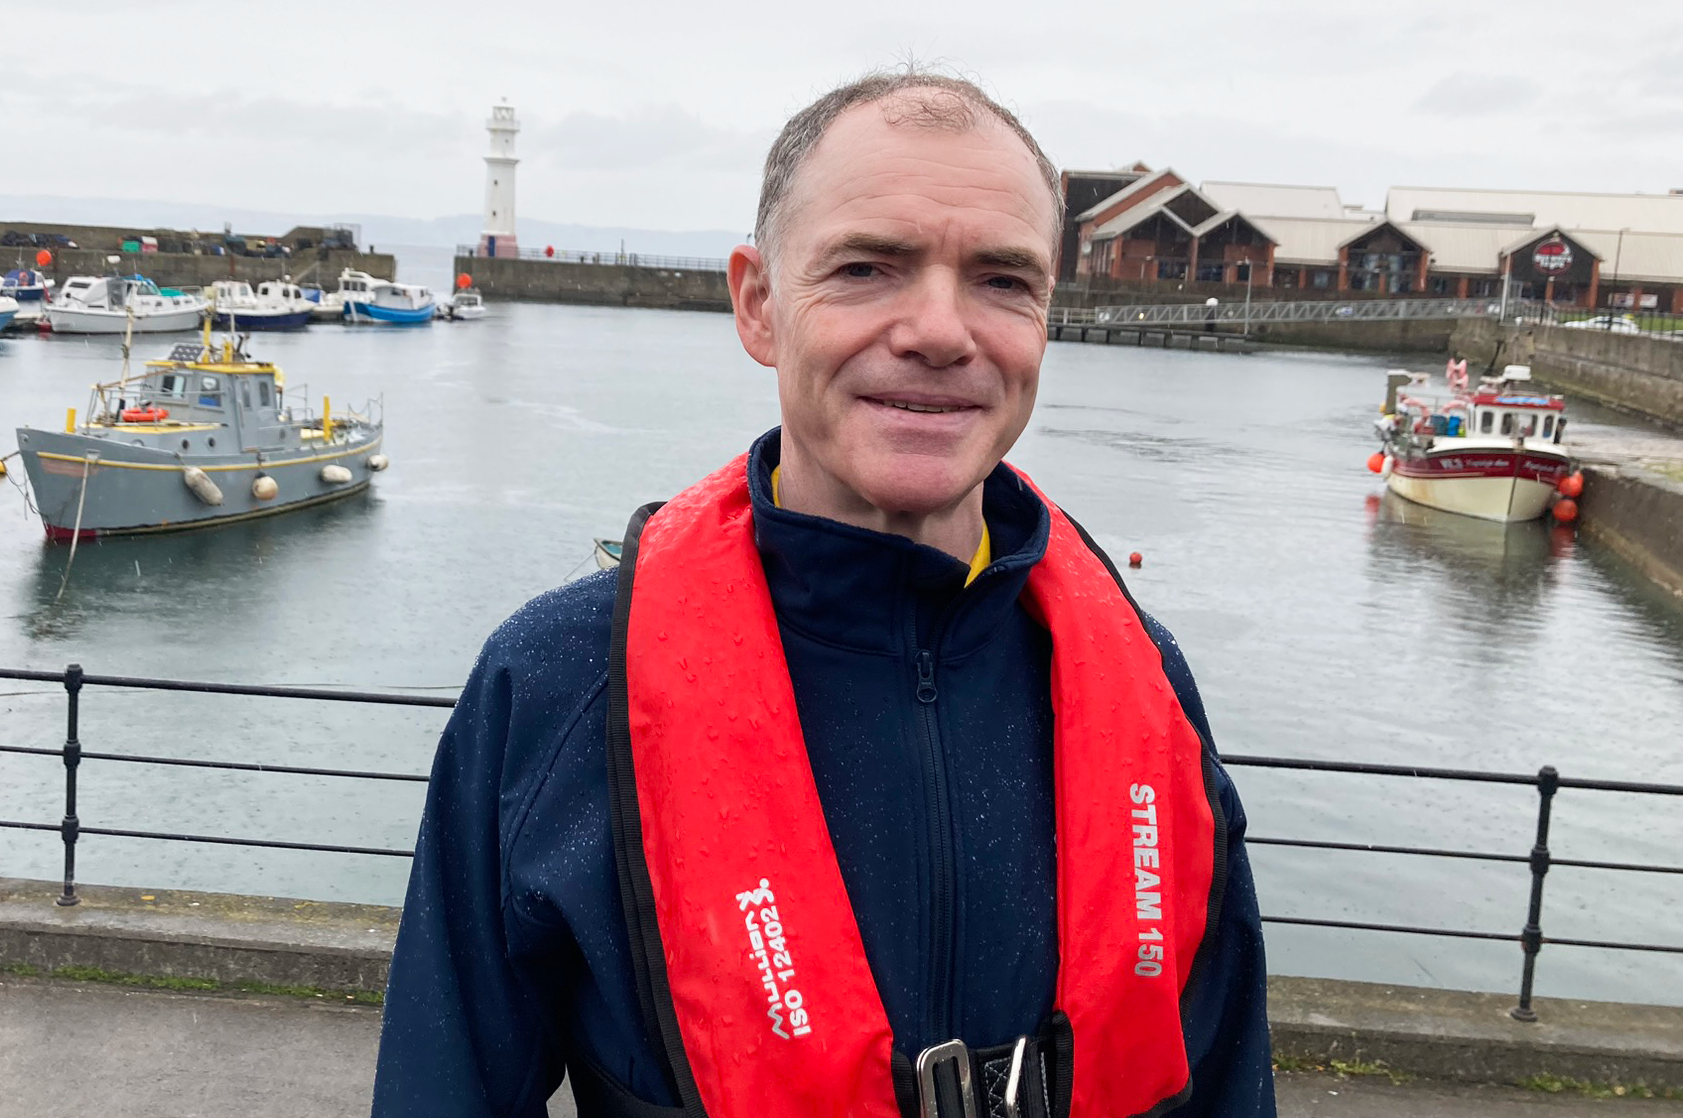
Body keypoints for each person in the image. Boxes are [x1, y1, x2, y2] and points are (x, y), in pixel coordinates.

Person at [374, 69, 1274, 1118]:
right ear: (758, 303)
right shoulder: (561, 685)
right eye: (866, 267)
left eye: (1002, 279)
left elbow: (1225, 1077)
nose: (941, 329)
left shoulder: (1146, 683)